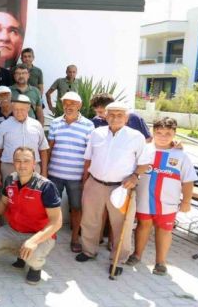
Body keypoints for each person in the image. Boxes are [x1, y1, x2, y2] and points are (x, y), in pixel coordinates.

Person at [76, 101, 146, 277]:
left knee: (122, 225)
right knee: (89, 220)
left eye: (120, 115)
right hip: (95, 183)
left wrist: (135, 176)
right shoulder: (96, 133)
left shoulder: (136, 136)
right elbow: (88, 159)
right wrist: (85, 181)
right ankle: (88, 251)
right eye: (112, 114)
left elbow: (145, 162)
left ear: (126, 118)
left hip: (121, 188)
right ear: (105, 116)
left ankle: (118, 259)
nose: (115, 118)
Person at [0, 147, 63, 285]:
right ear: (13, 163)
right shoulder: (10, 179)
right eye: (18, 161)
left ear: (34, 163)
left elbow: (56, 222)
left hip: (39, 234)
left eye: (26, 161)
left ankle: (35, 267)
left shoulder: (46, 186)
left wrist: (33, 241)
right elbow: (3, 203)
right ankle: (21, 253)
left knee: (33, 258)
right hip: (14, 230)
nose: (22, 165)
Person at [127, 117, 197, 276]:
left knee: (164, 230)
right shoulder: (144, 150)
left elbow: (188, 180)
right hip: (144, 199)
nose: (163, 137)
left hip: (168, 203)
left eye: (168, 134)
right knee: (143, 226)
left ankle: (160, 262)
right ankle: (137, 254)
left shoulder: (181, 155)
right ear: (153, 132)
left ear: (174, 134)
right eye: (159, 133)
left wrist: (186, 201)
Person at [45, 91, 95, 253]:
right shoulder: (55, 123)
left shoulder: (88, 125)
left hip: (76, 177)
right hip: (54, 174)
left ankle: (74, 239)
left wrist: (85, 176)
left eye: (72, 103)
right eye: (66, 103)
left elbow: (90, 154)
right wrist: (45, 172)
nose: (68, 106)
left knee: (76, 208)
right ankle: (48, 237)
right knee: (51, 207)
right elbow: (49, 148)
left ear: (79, 105)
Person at [0, 95, 49, 186]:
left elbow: (43, 150)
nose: (19, 112)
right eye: (16, 109)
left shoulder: (37, 125)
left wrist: (44, 172)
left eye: (22, 109)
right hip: (9, 168)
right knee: (9, 194)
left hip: (33, 169)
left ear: (28, 108)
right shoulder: (4, 125)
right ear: (12, 108)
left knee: (32, 194)